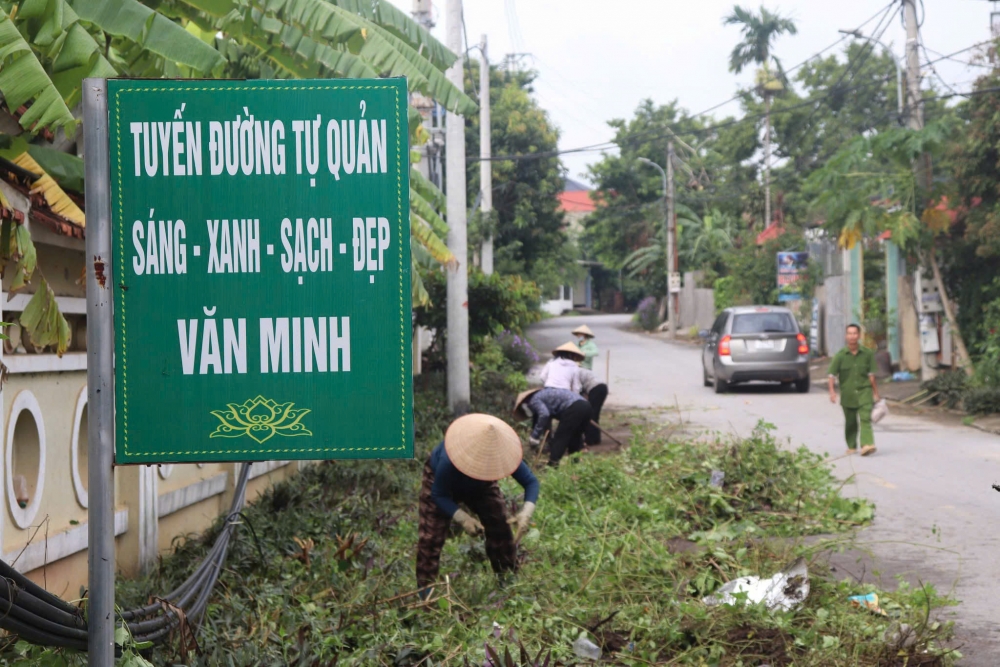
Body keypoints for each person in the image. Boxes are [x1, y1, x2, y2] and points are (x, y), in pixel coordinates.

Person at [417, 414, 539, 593]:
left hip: (482, 485)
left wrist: (526, 512)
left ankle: (507, 583)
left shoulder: (503, 452)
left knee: (500, 527)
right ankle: (425, 595)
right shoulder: (448, 460)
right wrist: (463, 518)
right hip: (442, 484)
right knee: (430, 538)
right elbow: (439, 494)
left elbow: (531, 482)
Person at [828, 324, 881, 456]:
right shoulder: (840, 356)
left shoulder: (868, 354)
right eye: (849, 334)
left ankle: (867, 444)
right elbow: (831, 375)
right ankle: (851, 445)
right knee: (850, 422)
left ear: (859, 335)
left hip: (865, 391)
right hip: (848, 394)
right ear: (846, 336)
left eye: (855, 333)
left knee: (865, 418)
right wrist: (832, 392)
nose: (852, 336)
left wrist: (875, 393)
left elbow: (871, 376)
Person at [515, 386, 591, 467]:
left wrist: (534, 436)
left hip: (574, 407)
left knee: (561, 438)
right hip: (587, 406)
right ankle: (575, 463)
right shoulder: (543, 394)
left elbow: (544, 414)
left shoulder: (534, 400)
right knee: (575, 437)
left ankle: (553, 464)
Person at [578, 366, 609, 445]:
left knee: (590, 415)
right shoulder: (582, 371)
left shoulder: (574, 372)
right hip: (602, 388)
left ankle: (590, 440)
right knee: (594, 415)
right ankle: (596, 438)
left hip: (596, 389)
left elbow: (577, 390)